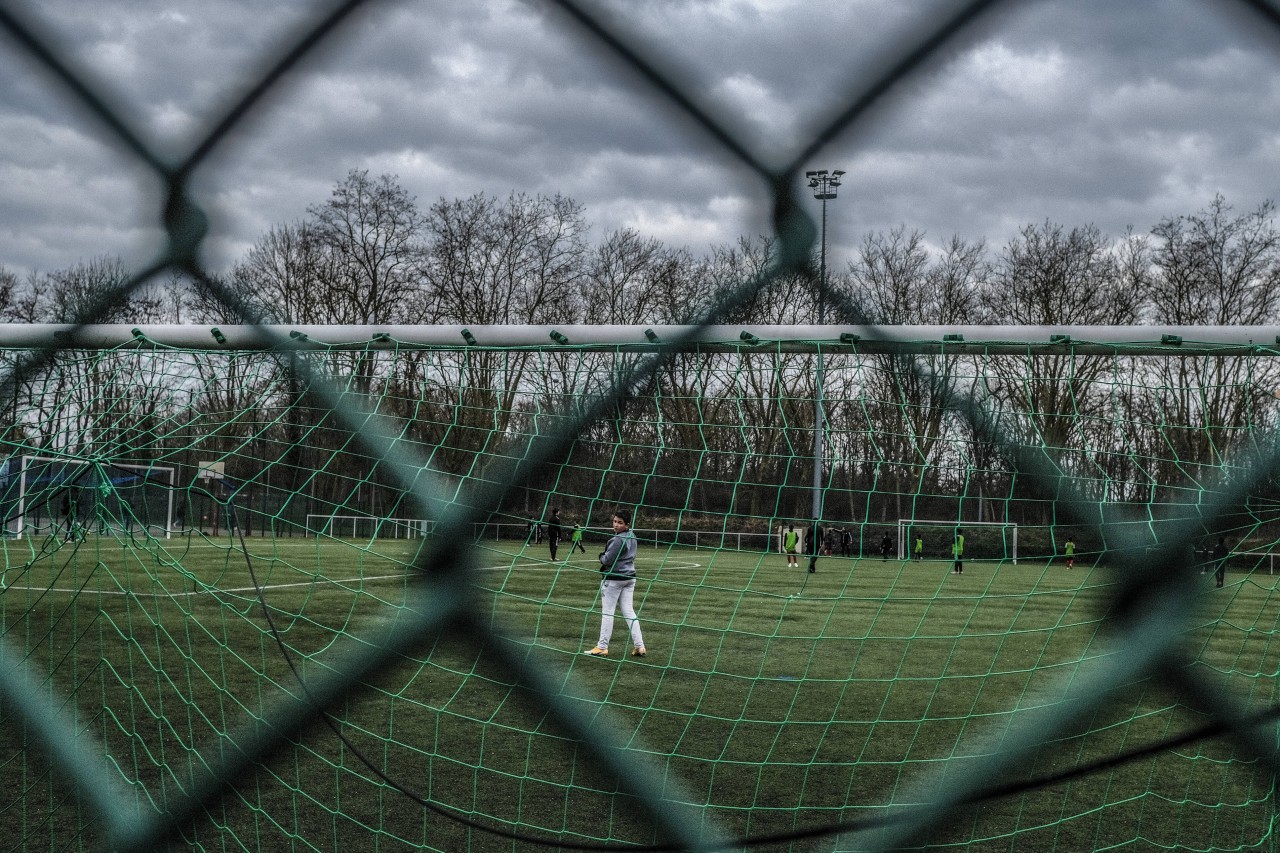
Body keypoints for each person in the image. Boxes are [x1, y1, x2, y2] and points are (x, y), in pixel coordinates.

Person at [584, 510, 646, 658]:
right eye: (615, 521)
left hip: (614, 578)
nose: (616, 525)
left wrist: (601, 556)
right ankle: (640, 646)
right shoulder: (632, 536)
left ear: (627, 524)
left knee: (608, 612)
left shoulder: (618, 540)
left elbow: (607, 560)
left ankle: (602, 647)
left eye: (620, 522)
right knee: (629, 612)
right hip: (630, 577)